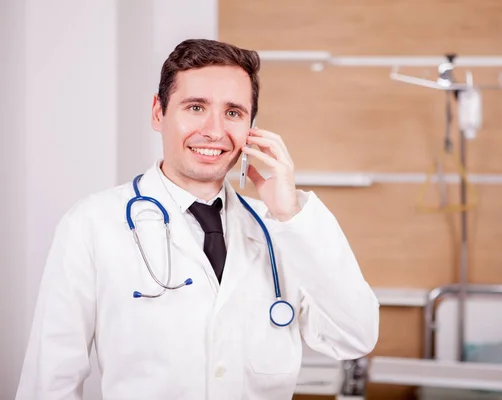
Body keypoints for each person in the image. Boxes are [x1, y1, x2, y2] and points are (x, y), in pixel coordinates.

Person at [16, 38, 380, 400]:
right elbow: (50, 383)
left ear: (251, 127)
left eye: (233, 113)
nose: (215, 131)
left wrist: (292, 215)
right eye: (195, 107)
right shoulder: (91, 225)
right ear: (158, 112)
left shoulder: (280, 230)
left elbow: (353, 336)